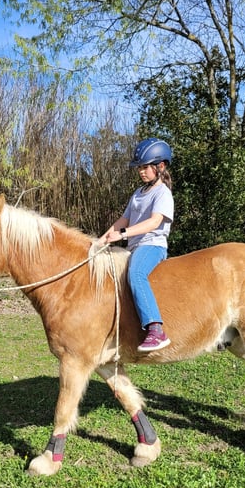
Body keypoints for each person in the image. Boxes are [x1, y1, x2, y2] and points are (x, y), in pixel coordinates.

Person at [100, 138, 175, 352]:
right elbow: (123, 219)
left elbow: (154, 222)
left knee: (136, 274)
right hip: (134, 247)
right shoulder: (138, 193)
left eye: (145, 167)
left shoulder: (162, 193)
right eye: (139, 168)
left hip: (152, 245)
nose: (141, 172)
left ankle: (156, 329)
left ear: (160, 167)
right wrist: (104, 238)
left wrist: (122, 234)